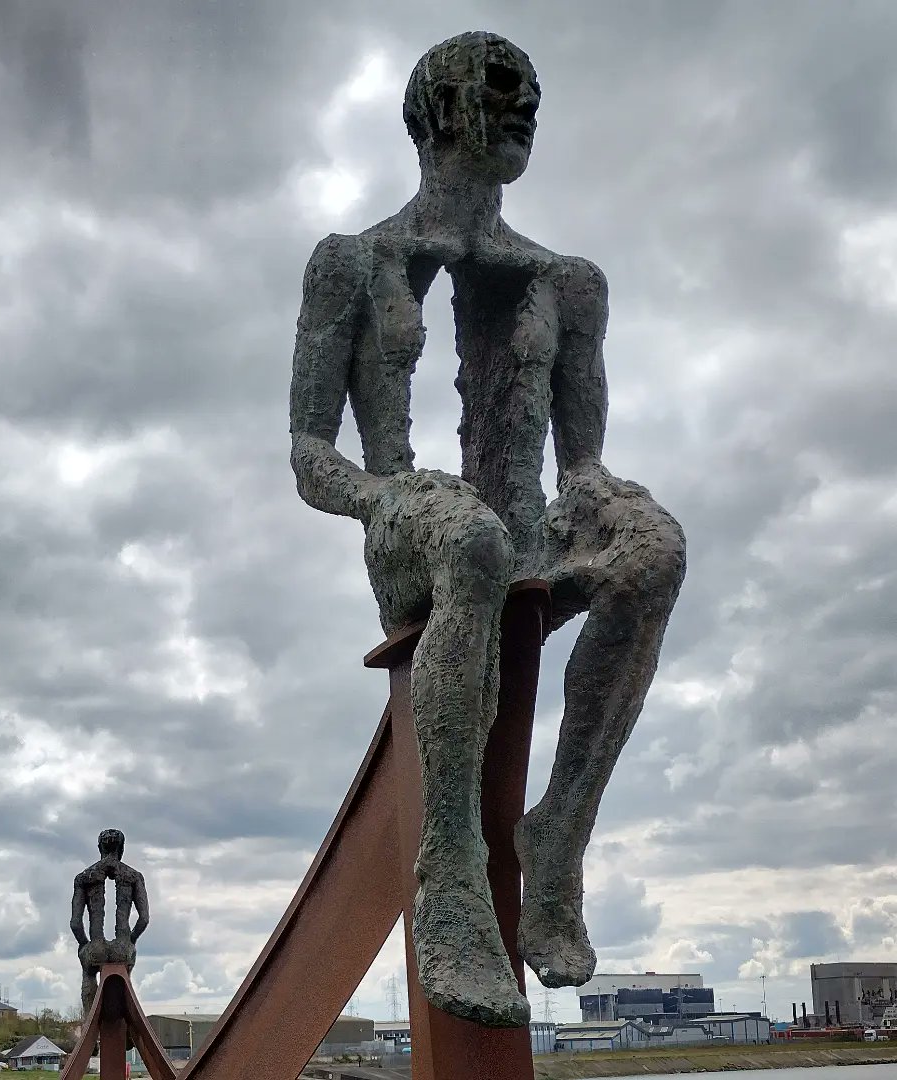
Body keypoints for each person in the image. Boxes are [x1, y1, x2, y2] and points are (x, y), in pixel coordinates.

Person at [289, 31, 685, 1026]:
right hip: (412, 531)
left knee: (654, 549)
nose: (524, 110)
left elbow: (580, 460)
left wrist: (607, 503)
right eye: (501, 89)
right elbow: (308, 450)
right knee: (464, 535)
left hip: (519, 526)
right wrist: (383, 496)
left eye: (533, 95)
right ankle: (452, 870)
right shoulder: (352, 262)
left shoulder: (570, 282)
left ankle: (556, 840)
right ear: (437, 111)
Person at [70, 829, 150, 1015]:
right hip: (122, 947)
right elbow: (144, 919)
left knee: (89, 973)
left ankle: (91, 1019)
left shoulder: (84, 877)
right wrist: (131, 940)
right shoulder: (134, 876)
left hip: (95, 947)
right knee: (125, 972)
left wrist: (84, 944)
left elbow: (75, 923)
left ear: (100, 848)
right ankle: (127, 1016)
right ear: (121, 848)